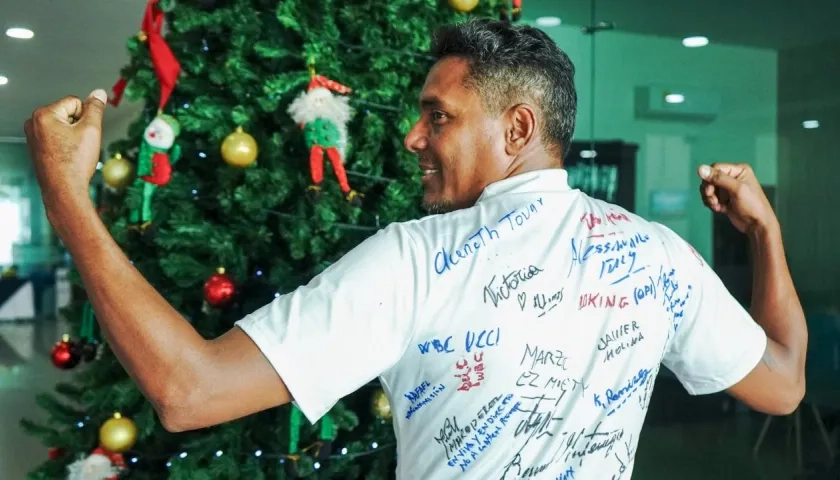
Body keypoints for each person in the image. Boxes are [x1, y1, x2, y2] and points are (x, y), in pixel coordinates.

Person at [25, 19, 806, 480]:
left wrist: (66, 193)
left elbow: (189, 390)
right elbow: (784, 384)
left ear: (518, 129)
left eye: (439, 116)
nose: (412, 138)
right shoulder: (657, 255)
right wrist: (764, 233)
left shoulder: (415, 258)